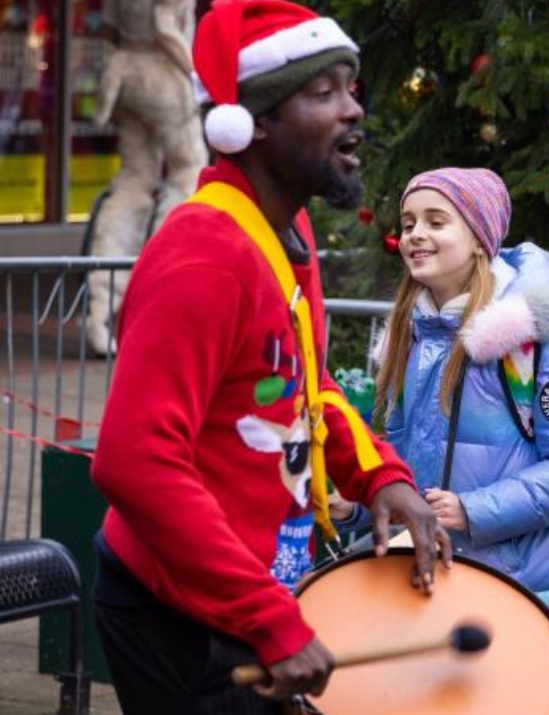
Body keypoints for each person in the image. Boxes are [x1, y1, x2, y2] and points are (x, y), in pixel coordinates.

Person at [89, 2, 451, 712]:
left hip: (243, 598)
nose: (353, 109)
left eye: (351, 88)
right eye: (323, 92)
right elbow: (134, 462)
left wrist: (379, 474)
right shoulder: (203, 256)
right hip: (179, 615)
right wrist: (269, 619)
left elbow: (302, 389)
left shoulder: (287, 234)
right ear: (250, 123)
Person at [345, 166, 549, 713]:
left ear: (479, 237)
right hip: (439, 589)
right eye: (408, 223)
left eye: (436, 221)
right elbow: (400, 458)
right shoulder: (410, 336)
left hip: (525, 588)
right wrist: (360, 501)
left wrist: (473, 509)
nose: (415, 234)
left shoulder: (527, 342)